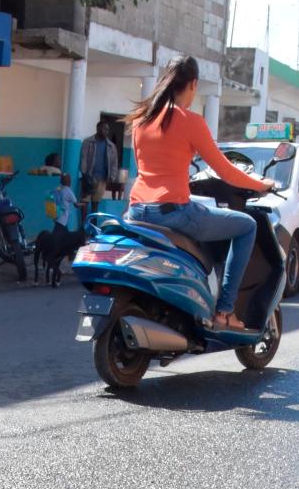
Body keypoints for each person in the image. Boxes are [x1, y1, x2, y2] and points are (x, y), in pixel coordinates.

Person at [123, 56, 275, 331]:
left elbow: (145, 167)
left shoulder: (141, 120)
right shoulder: (190, 121)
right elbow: (225, 171)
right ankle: (225, 312)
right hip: (173, 213)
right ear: (193, 84)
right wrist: (260, 185)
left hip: (137, 210)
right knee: (247, 226)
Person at [79, 119, 119, 216]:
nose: (106, 131)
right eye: (104, 128)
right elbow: (83, 158)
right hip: (88, 177)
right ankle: (84, 226)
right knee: (84, 202)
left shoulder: (111, 146)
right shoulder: (87, 142)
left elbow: (114, 163)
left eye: (108, 130)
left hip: (102, 179)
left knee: (95, 204)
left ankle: (92, 226)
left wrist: (112, 177)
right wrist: (84, 174)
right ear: (98, 128)